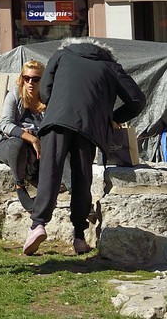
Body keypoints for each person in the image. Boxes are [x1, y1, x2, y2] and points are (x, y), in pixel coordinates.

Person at [23, 37, 146, 257]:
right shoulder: (110, 65)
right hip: (89, 127)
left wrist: (57, 104)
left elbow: (44, 92)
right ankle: (79, 237)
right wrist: (112, 117)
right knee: (82, 178)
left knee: (50, 171)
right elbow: (137, 100)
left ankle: (38, 225)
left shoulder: (61, 55)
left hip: (57, 120)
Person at [0, 59, 48, 207]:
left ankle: (71, 191)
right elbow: (4, 124)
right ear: (22, 78)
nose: (31, 82)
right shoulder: (14, 95)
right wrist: (32, 139)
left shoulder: (46, 99)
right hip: (10, 143)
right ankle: (20, 186)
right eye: (27, 78)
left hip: (39, 146)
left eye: (36, 79)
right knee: (17, 145)